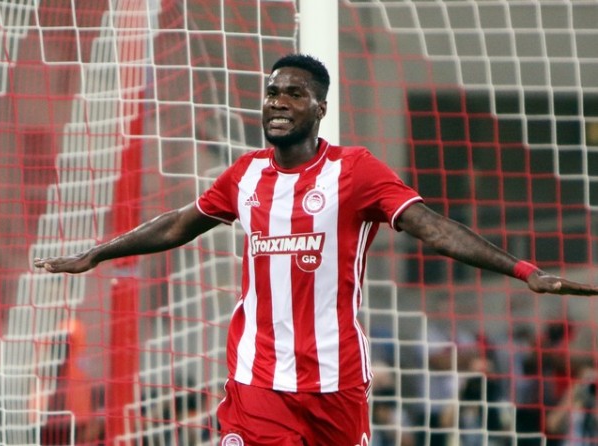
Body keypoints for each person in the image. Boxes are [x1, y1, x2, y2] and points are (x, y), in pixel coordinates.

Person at [34, 53, 598, 446]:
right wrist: (99, 253)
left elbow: (431, 227)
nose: (278, 102)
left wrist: (523, 270)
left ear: (320, 108)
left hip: (336, 381)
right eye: (272, 92)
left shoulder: (356, 172)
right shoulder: (244, 175)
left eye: (294, 93)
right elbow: (178, 224)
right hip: (257, 380)